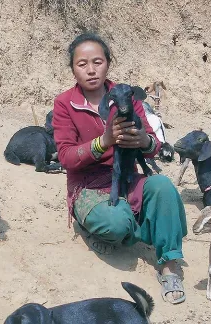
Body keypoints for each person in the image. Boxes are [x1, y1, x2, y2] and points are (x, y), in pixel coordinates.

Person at [51, 32, 189, 305]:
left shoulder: (126, 94)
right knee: (116, 222)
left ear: (108, 63)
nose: (91, 70)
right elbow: (66, 156)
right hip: (88, 185)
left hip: (127, 177)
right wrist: (104, 141)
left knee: (163, 187)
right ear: (73, 69)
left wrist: (144, 140)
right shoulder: (65, 103)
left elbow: (153, 144)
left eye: (97, 62)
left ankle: (169, 264)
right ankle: (127, 223)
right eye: (82, 64)